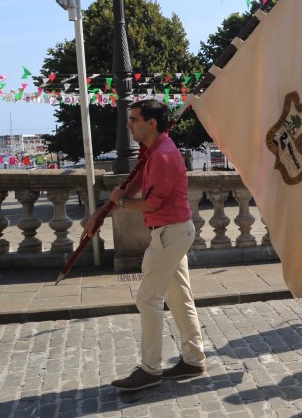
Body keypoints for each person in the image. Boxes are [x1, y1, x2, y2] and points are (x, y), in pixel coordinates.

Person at [84, 99, 205, 391]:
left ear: (151, 123)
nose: (129, 125)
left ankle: (151, 369)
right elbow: (134, 185)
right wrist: (102, 212)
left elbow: (149, 202)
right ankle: (193, 359)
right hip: (171, 232)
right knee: (178, 298)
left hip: (169, 234)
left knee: (148, 299)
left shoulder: (163, 155)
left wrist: (120, 202)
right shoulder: (153, 151)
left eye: (134, 119)